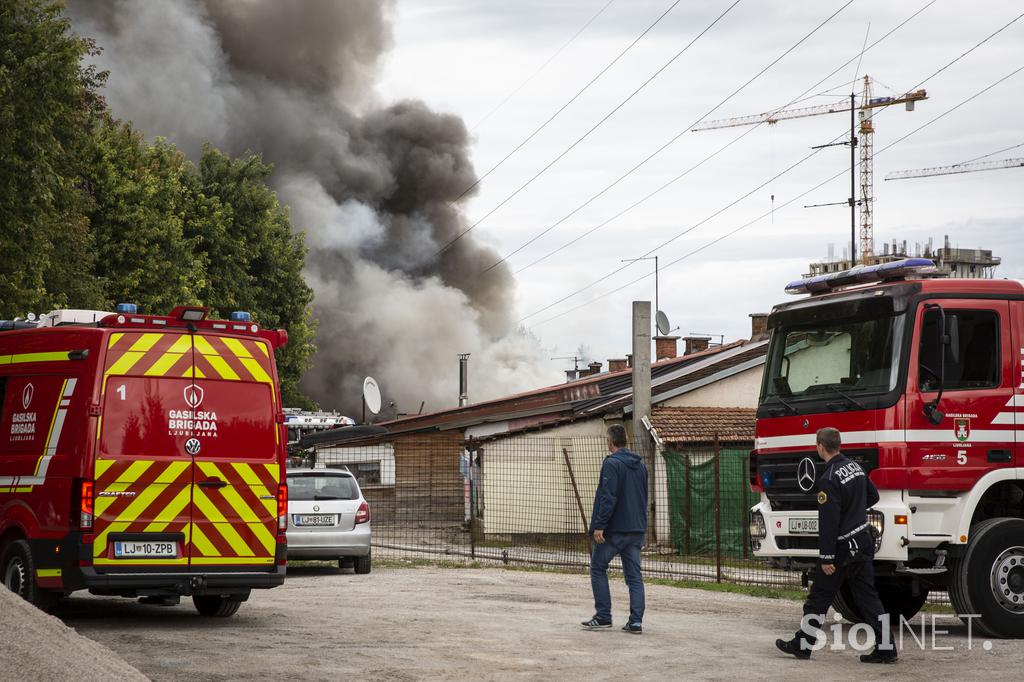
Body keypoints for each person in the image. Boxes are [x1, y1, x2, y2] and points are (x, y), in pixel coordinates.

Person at [776, 427, 897, 664]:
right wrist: (854, 513)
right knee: (869, 598)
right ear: (839, 444)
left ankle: (803, 645)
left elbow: (829, 523)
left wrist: (827, 558)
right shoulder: (857, 468)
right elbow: (873, 497)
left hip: (841, 549)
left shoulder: (828, 479)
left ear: (820, 447)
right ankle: (886, 648)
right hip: (862, 541)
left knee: (819, 596)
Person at [581, 424, 648, 634]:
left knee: (598, 568)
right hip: (636, 529)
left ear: (610, 442)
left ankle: (603, 616)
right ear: (626, 440)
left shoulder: (611, 464)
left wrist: (600, 525)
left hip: (615, 529)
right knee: (634, 576)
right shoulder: (641, 466)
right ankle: (635, 622)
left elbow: (608, 497)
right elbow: (644, 497)